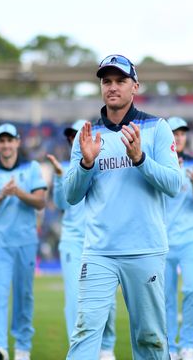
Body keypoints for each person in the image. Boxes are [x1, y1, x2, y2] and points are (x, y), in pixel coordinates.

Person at [63, 54, 181, 359]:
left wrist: (141, 159)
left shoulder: (157, 128)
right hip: (99, 250)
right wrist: (87, 164)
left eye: (120, 80)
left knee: (150, 338)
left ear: (135, 86)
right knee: (85, 333)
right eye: (106, 81)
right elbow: (71, 196)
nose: (112, 87)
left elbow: (173, 184)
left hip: (145, 249)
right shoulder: (87, 136)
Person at [47, 120, 117, 360]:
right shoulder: (66, 168)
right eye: (71, 137)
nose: (74, 139)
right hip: (73, 241)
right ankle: (80, 352)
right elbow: (61, 203)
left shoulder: (105, 164)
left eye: (78, 135)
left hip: (100, 239)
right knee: (74, 299)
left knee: (107, 300)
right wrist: (58, 177)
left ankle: (106, 348)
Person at [0, 123, 47, 360]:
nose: (6, 145)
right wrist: (1, 196)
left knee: (24, 294)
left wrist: (19, 193)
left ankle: (22, 346)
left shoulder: (31, 168)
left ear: (17, 142)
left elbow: (41, 202)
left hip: (25, 242)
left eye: (10, 140)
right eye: (2, 140)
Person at [163, 117, 193, 360]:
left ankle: (187, 345)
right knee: (166, 297)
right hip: (163, 241)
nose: (178, 136)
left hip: (191, 238)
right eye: (174, 132)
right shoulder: (158, 163)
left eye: (182, 132)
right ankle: (170, 346)